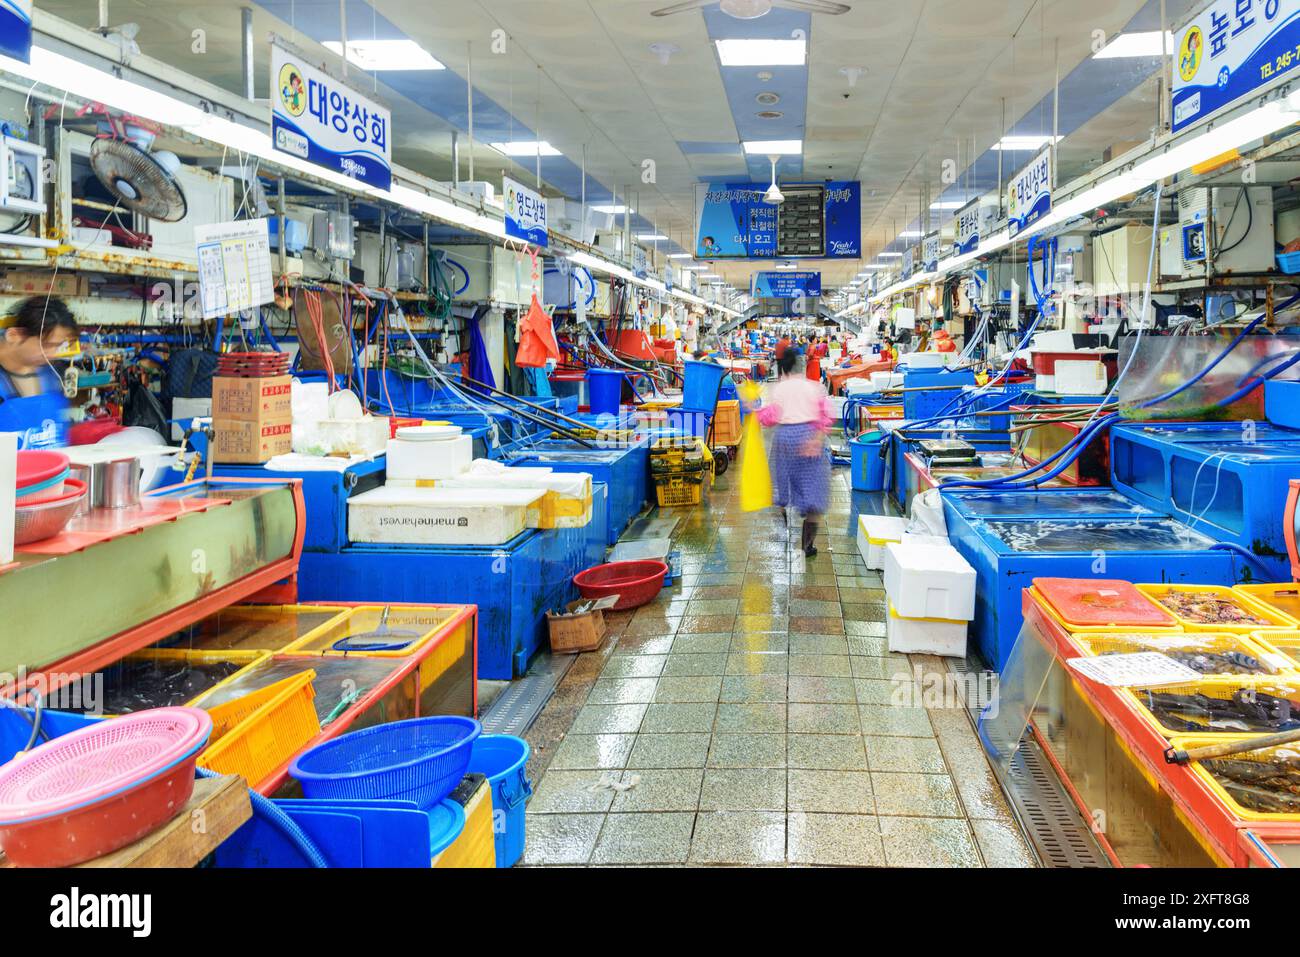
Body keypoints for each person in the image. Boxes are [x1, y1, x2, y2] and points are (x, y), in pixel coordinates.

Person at [756, 348, 832, 556]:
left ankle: (783, 532)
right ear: (802, 367)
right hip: (809, 436)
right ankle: (807, 545)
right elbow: (825, 416)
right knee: (814, 489)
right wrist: (815, 440)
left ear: (783, 369)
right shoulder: (814, 387)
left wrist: (755, 413)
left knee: (780, 486)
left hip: (784, 439)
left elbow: (770, 417)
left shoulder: (778, 388)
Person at [0, 296, 78, 449]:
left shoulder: (52, 375)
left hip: (54, 470)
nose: (52, 354)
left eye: (57, 346)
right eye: (46, 345)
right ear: (14, 335)